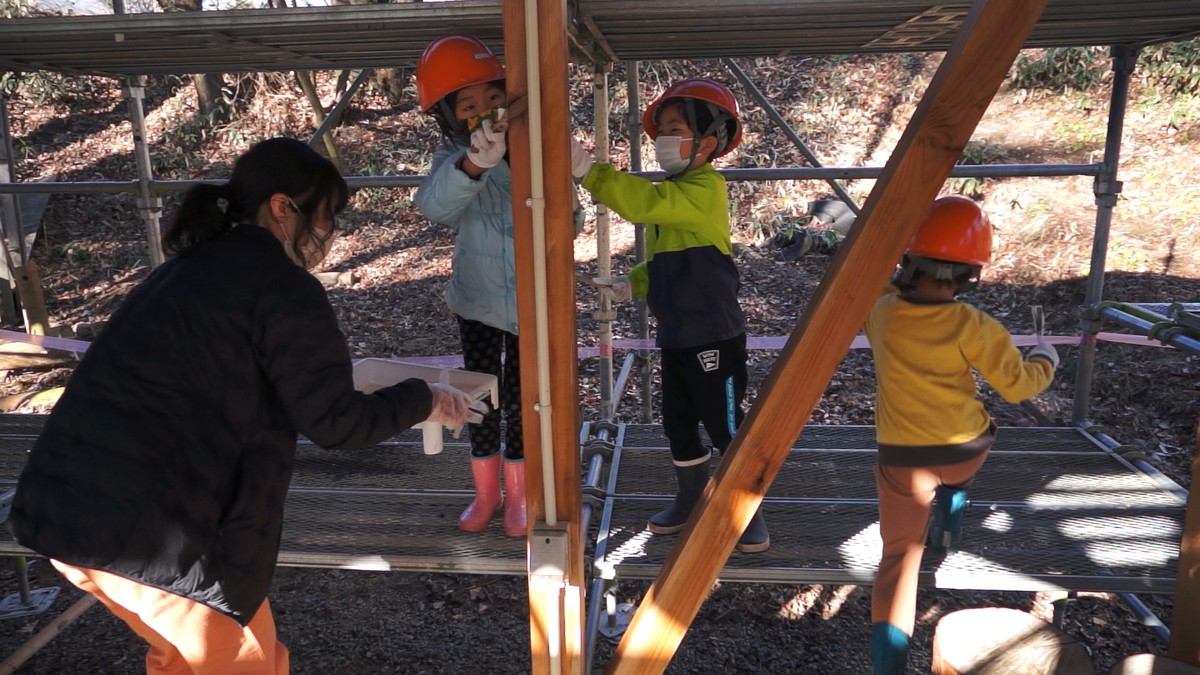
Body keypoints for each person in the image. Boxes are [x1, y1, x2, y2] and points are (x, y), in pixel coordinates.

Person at [8, 137, 477, 675]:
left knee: (198, 659)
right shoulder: (282, 287)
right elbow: (334, 422)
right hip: (154, 541)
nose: (330, 234)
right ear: (282, 208)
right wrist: (424, 398)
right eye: (326, 217)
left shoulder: (180, 272)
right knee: (247, 663)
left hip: (66, 514)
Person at [569, 78, 769, 553]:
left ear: (710, 140)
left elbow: (646, 206)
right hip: (677, 335)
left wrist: (591, 174)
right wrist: (631, 283)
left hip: (714, 338)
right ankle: (691, 497)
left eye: (673, 128)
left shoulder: (705, 189)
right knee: (678, 423)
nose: (661, 140)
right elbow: (665, 261)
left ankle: (749, 512)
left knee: (724, 426)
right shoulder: (676, 194)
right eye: (659, 129)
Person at [862, 196, 1060, 674]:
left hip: (904, 461)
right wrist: (1047, 359)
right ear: (973, 273)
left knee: (898, 559)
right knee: (970, 451)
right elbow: (1017, 387)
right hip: (966, 449)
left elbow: (881, 289)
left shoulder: (881, 313)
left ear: (906, 261)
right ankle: (950, 517)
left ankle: (887, 668)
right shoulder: (975, 325)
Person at [413, 35, 583, 537]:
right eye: (468, 105)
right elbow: (434, 207)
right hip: (480, 302)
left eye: (493, 98)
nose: (485, 111)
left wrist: (559, 180)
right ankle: (486, 493)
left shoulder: (535, 150)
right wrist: (475, 165)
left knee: (529, 399)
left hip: (533, 301)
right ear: (447, 116)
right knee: (480, 397)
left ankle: (520, 497)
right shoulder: (453, 158)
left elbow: (569, 223)